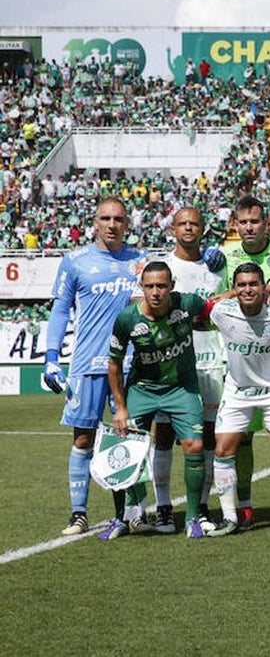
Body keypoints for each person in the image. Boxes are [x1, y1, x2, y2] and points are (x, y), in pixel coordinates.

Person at [43, 197, 147, 537]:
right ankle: (78, 514)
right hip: (87, 363)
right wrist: (51, 356)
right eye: (106, 218)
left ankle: (131, 512)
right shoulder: (75, 261)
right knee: (83, 438)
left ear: (127, 223)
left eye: (118, 219)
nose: (112, 224)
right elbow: (60, 310)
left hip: (130, 363)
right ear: (95, 222)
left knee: (127, 437)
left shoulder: (140, 262)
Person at [105, 261, 213, 539]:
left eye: (162, 286)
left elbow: (213, 308)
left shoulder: (187, 303)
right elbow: (114, 364)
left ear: (172, 286)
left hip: (181, 388)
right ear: (142, 288)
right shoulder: (127, 318)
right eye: (150, 286)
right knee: (124, 448)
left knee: (195, 445)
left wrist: (236, 295)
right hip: (142, 389)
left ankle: (192, 518)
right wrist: (120, 407)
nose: (156, 292)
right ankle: (126, 516)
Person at [146, 207, 226, 534]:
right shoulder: (165, 267)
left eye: (194, 223)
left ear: (203, 228)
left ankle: (202, 504)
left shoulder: (217, 267)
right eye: (183, 223)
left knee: (207, 437)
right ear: (173, 229)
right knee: (163, 434)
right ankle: (163, 505)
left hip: (212, 361)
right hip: (172, 361)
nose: (189, 228)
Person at [222, 195, 270, 527]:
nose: (249, 227)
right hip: (241, 363)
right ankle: (244, 504)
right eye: (244, 222)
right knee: (243, 439)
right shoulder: (222, 256)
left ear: (268, 223)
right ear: (235, 225)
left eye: (256, 221)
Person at [206, 263, 270, 537]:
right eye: (242, 285)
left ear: (263, 286)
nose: (248, 289)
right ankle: (230, 517)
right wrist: (223, 296)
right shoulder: (222, 312)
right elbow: (203, 309)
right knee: (222, 451)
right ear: (234, 289)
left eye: (253, 284)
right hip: (238, 391)